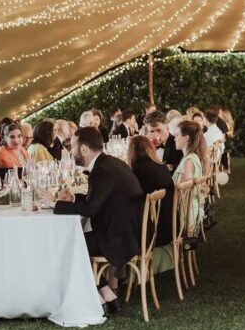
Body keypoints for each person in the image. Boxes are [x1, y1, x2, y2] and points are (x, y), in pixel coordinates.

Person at [55, 126, 143, 313]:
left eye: (73, 147)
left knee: (69, 244)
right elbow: (97, 200)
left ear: (84, 149)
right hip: (128, 231)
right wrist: (73, 199)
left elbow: (90, 209)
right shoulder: (111, 163)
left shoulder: (102, 171)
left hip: (118, 239)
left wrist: (56, 204)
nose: (72, 152)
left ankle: (98, 292)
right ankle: (104, 290)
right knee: (76, 240)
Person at [128, 135, 174, 248]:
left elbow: (134, 197)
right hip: (170, 223)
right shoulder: (161, 166)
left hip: (152, 229)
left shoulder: (138, 169)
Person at [173, 119, 210, 228]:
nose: (174, 139)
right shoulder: (193, 157)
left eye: (177, 135)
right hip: (191, 212)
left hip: (183, 217)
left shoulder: (188, 162)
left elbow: (181, 195)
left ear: (186, 137)